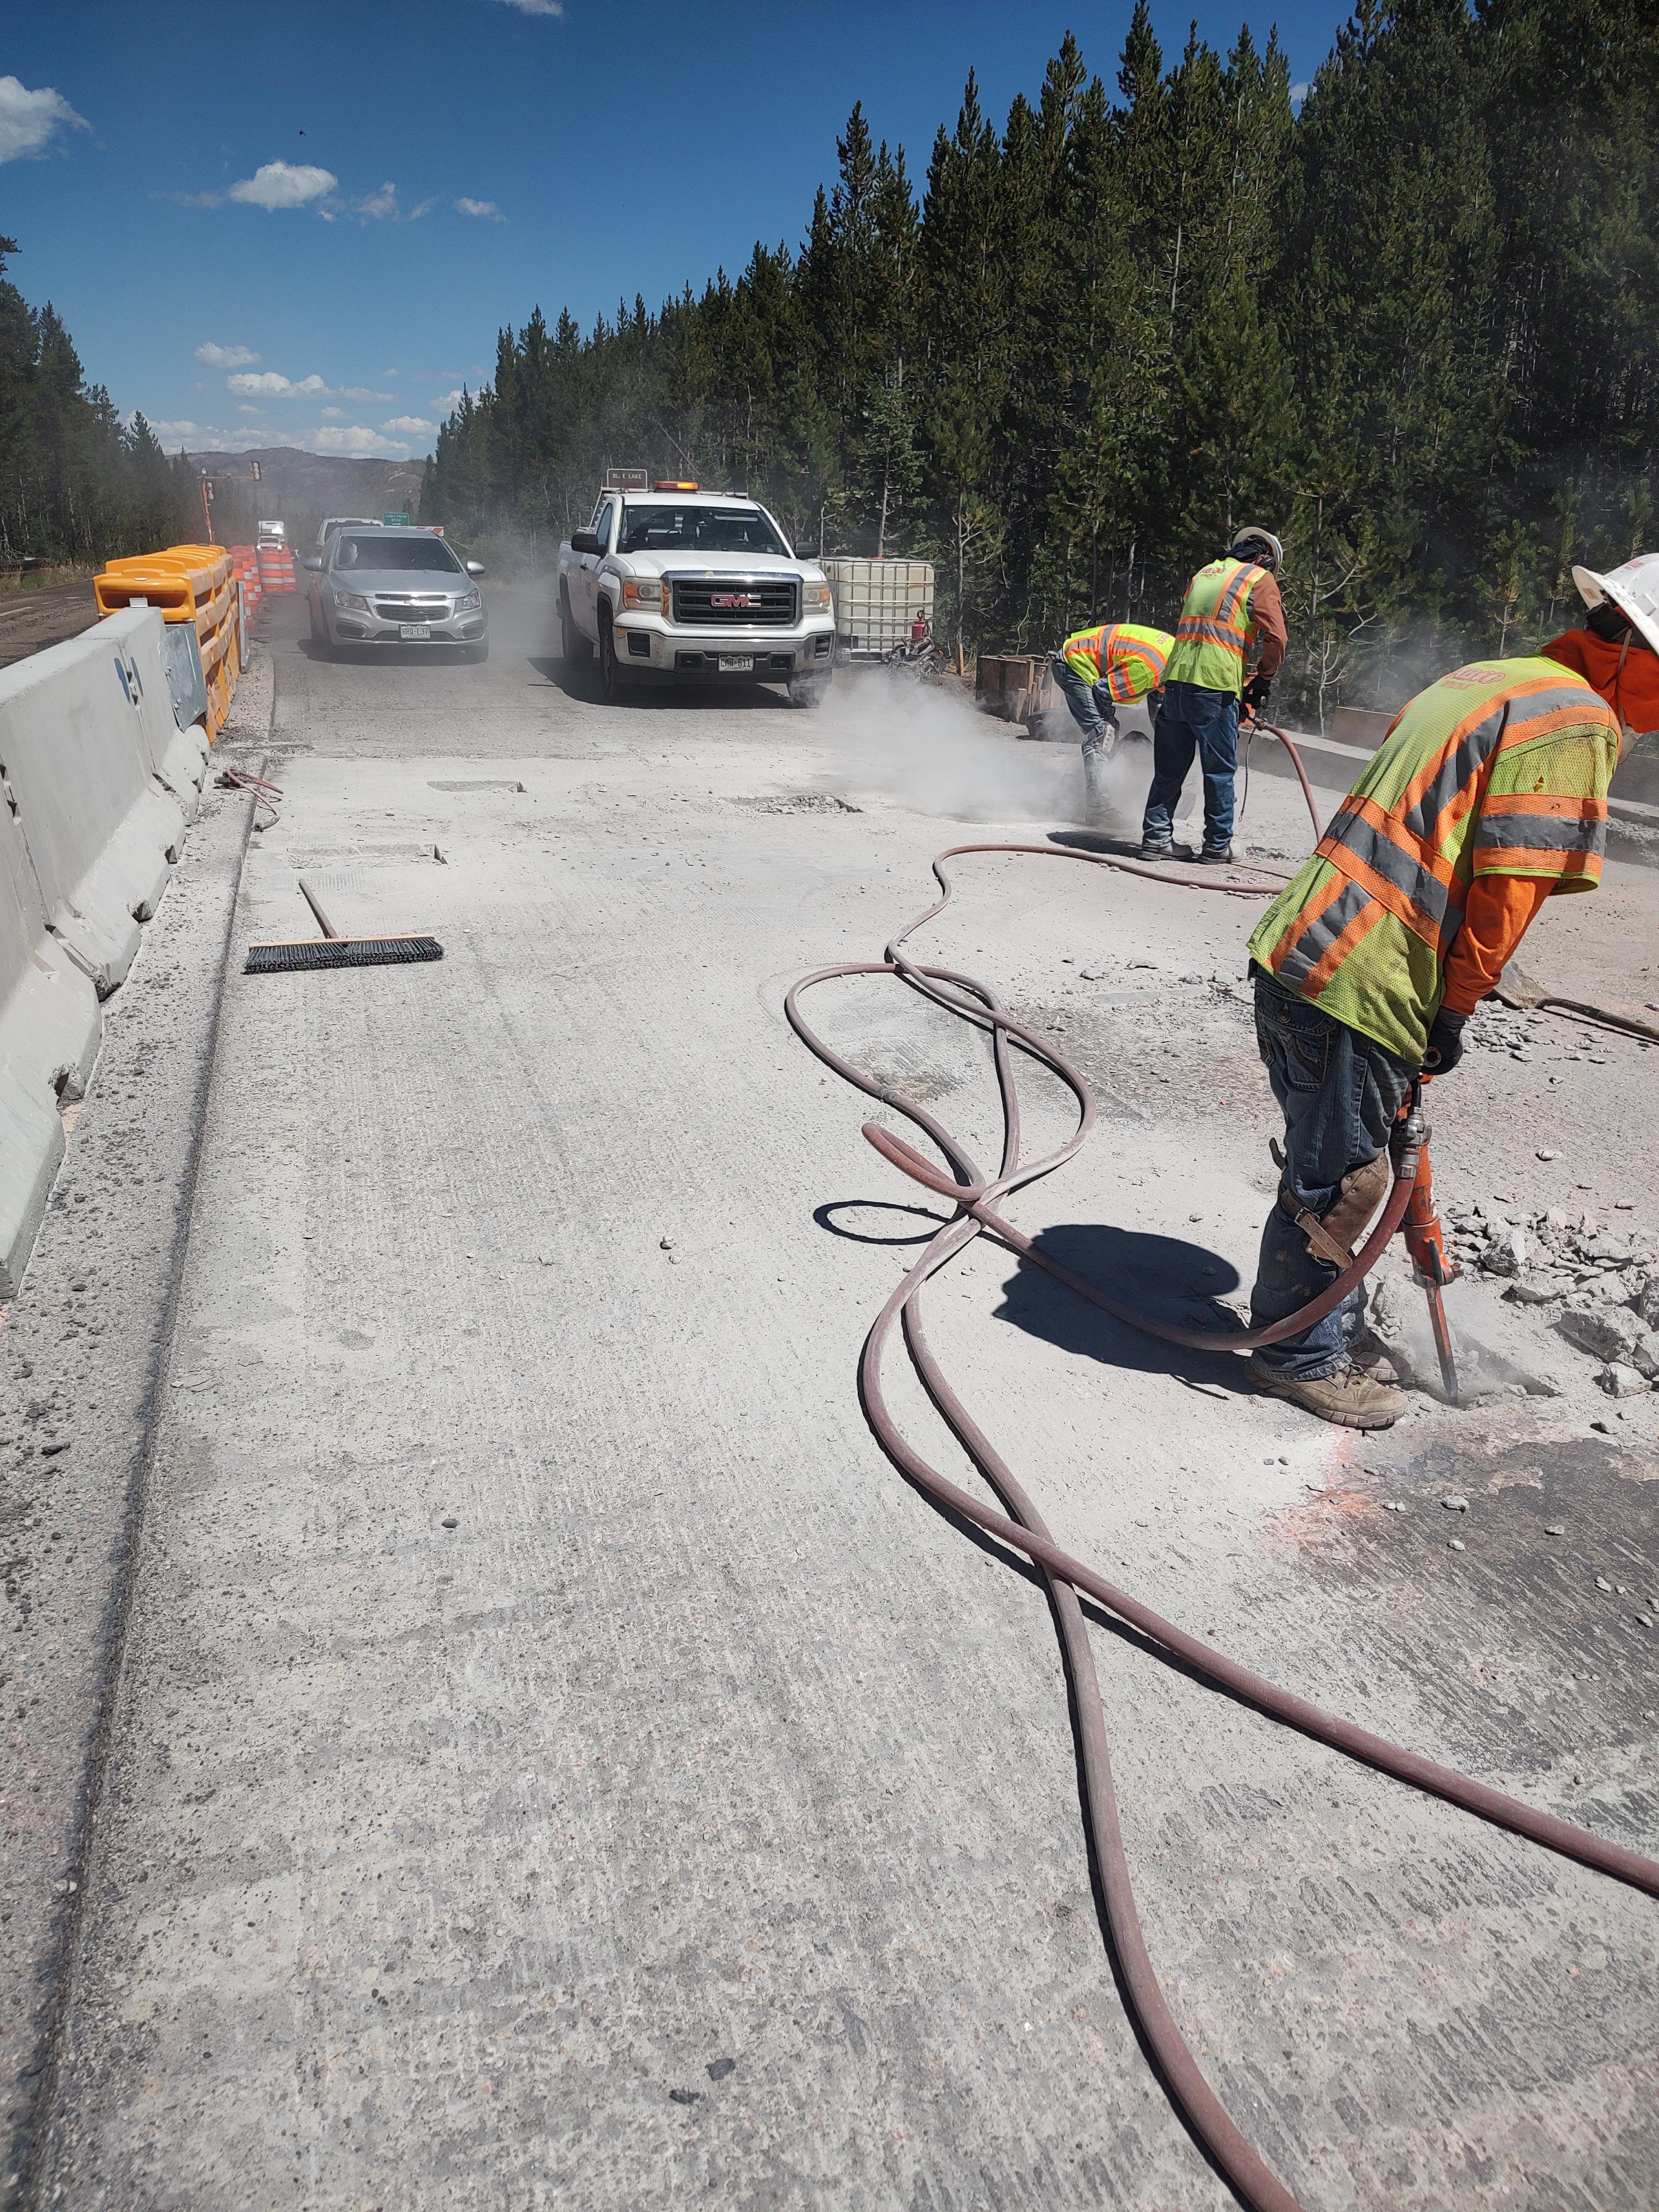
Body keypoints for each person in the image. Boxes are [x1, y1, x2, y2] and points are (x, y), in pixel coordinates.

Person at [1240, 554, 1659, 1428]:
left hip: (1301, 949)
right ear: (1637, 653)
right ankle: (1297, 1354)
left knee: (1341, 1154)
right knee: (1345, 1182)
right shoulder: (1579, 720)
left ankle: (1321, 1318)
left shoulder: (1496, 676)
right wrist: (1458, 1005)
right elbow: (1510, 890)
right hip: (1369, 970)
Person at [1140, 526, 1288, 864]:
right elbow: (1277, 639)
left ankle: (1156, 839)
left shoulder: (1203, 574)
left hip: (1174, 681)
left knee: (1169, 770)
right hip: (1215, 685)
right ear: (1266, 558)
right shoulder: (1259, 579)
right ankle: (1217, 846)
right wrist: (1264, 676)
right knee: (1219, 771)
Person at [1050, 619, 1174, 816]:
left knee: (1130, 740)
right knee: (1102, 734)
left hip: (1084, 663)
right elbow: (1102, 690)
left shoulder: (1173, 659)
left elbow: (1160, 708)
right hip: (1073, 665)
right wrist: (1110, 729)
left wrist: (1172, 749)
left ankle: (1072, 788)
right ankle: (1098, 808)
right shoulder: (1150, 668)